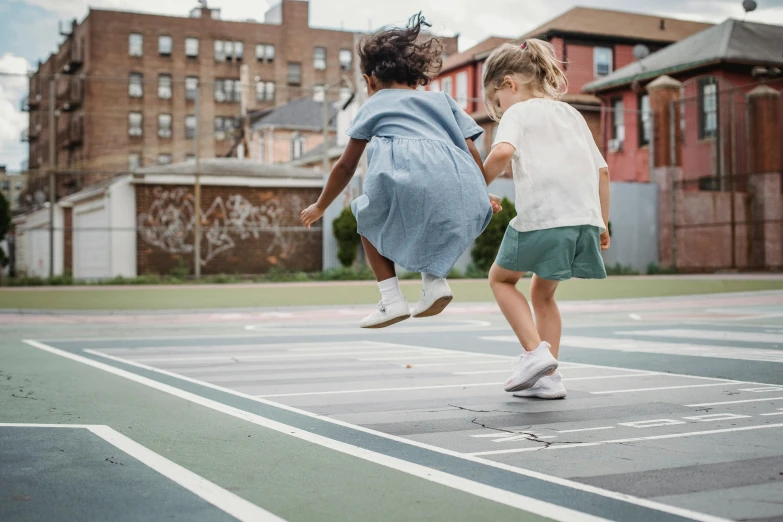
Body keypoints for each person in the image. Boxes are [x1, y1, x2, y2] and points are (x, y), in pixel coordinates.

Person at [301, 13, 497, 328]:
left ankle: (391, 300)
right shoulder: (442, 101)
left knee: (366, 216)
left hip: (404, 176)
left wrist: (321, 204)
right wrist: (482, 191)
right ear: (417, 76)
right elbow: (473, 149)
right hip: (457, 181)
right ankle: (434, 284)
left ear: (369, 81)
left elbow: (346, 165)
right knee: (433, 217)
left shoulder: (374, 104)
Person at [481, 40, 611, 399]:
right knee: (543, 295)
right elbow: (603, 172)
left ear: (510, 84)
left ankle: (535, 354)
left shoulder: (518, 113)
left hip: (543, 217)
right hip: (582, 221)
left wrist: (475, 186)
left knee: (501, 280)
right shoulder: (571, 114)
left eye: (497, 101)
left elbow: (503, 151)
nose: (499, 109)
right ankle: (548, 378)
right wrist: (603, 223)